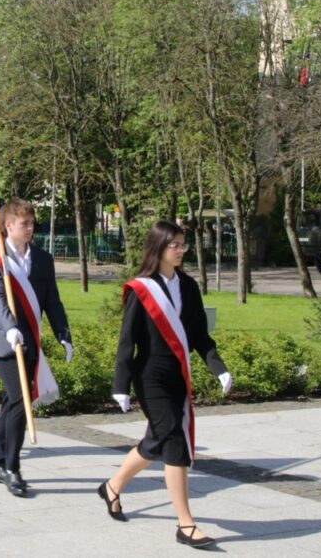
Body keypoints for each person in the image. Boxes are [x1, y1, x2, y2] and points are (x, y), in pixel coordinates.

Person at [100, 220, 232, 549]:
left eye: (182, 244)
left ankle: (112, 486)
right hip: (150, 376)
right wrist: (120, 384)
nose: (180, 250)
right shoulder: (142, 289)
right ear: (158, 248)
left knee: (156, 441)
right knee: (174, 441)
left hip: (178, 375)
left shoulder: (188, 286)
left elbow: (200, 335)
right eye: (174, 245)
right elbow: (127, 340)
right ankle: (186, 524)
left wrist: (218, 367)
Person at [0, 198, 73, 497]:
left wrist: (63, 334)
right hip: (4, 342)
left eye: (32, 223)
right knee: (21, 400)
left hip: (31, 340)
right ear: (8, 225)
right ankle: (12, 467)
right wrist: (10, 328)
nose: (31, 228)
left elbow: (52, 301)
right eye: (25, 223)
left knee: (12, 402)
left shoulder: (43, 259)